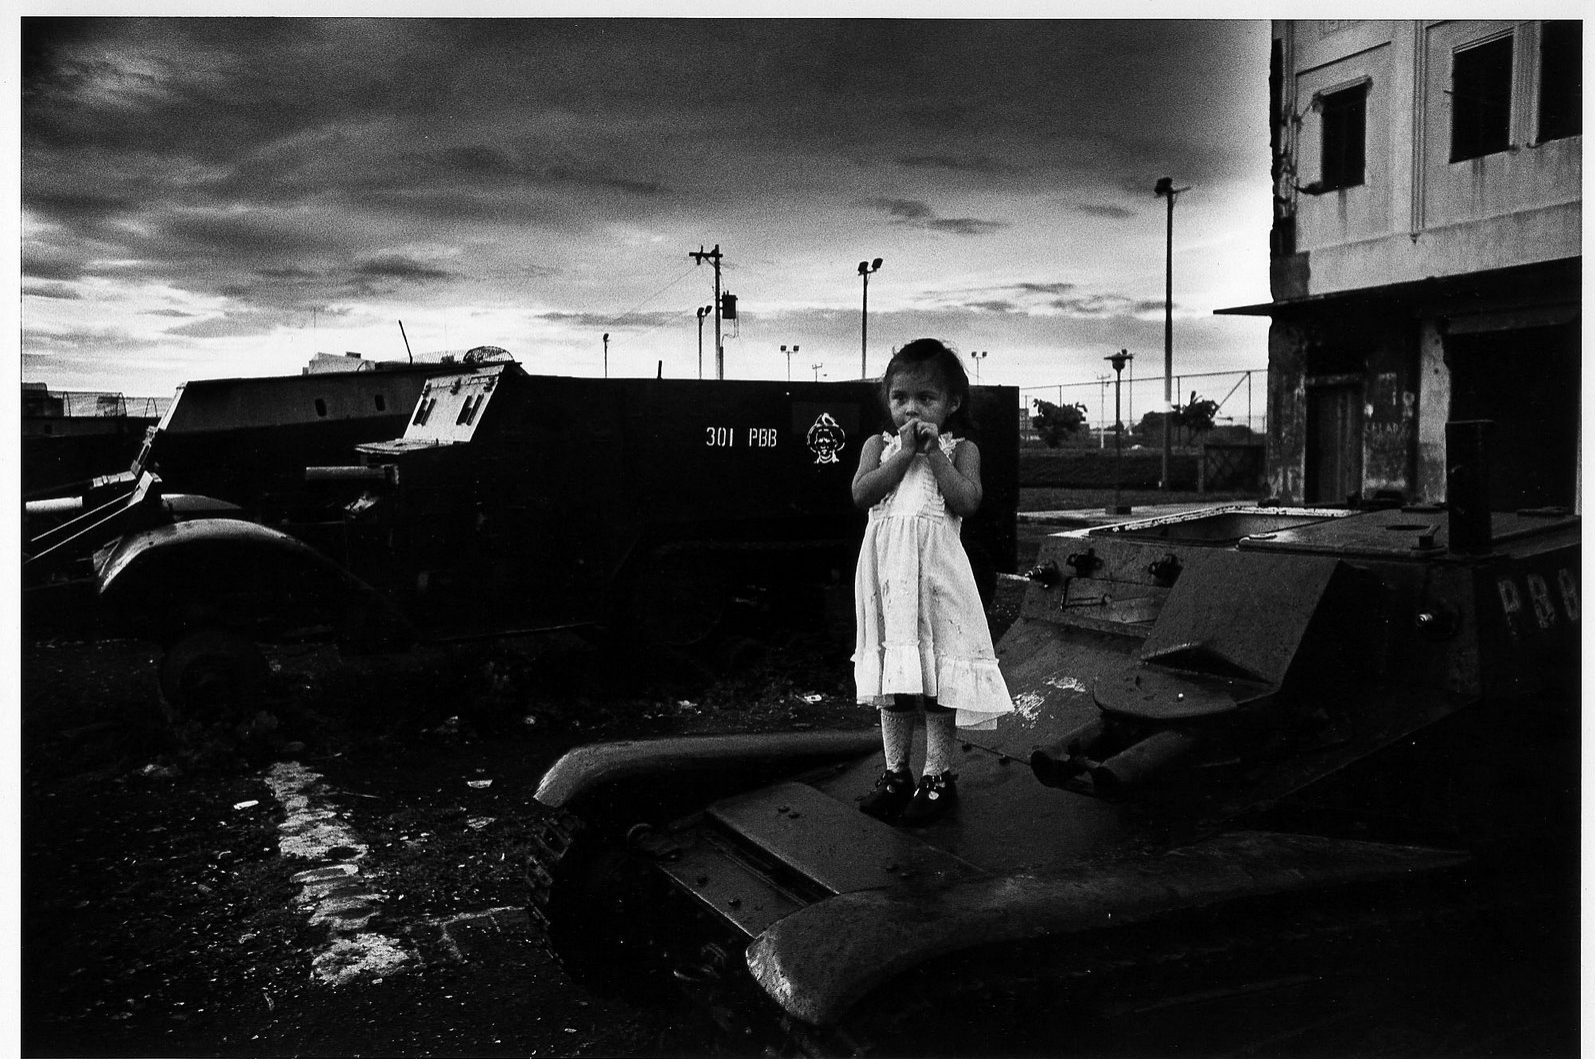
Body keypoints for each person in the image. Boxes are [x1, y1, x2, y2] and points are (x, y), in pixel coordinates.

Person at [850, 338, 1014, 825]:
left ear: (951, 404)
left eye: (926, 399)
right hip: (888, 579)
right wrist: (902, 455)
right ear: (888, 400)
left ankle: (938, 774)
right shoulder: (878, 447)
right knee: (895, 678)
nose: (911, 410)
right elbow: (862, 493)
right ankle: (895, 771)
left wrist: (934, 456)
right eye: (901, 398)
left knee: (936, 676)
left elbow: (967, 501)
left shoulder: (961, 450)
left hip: (938, 578)